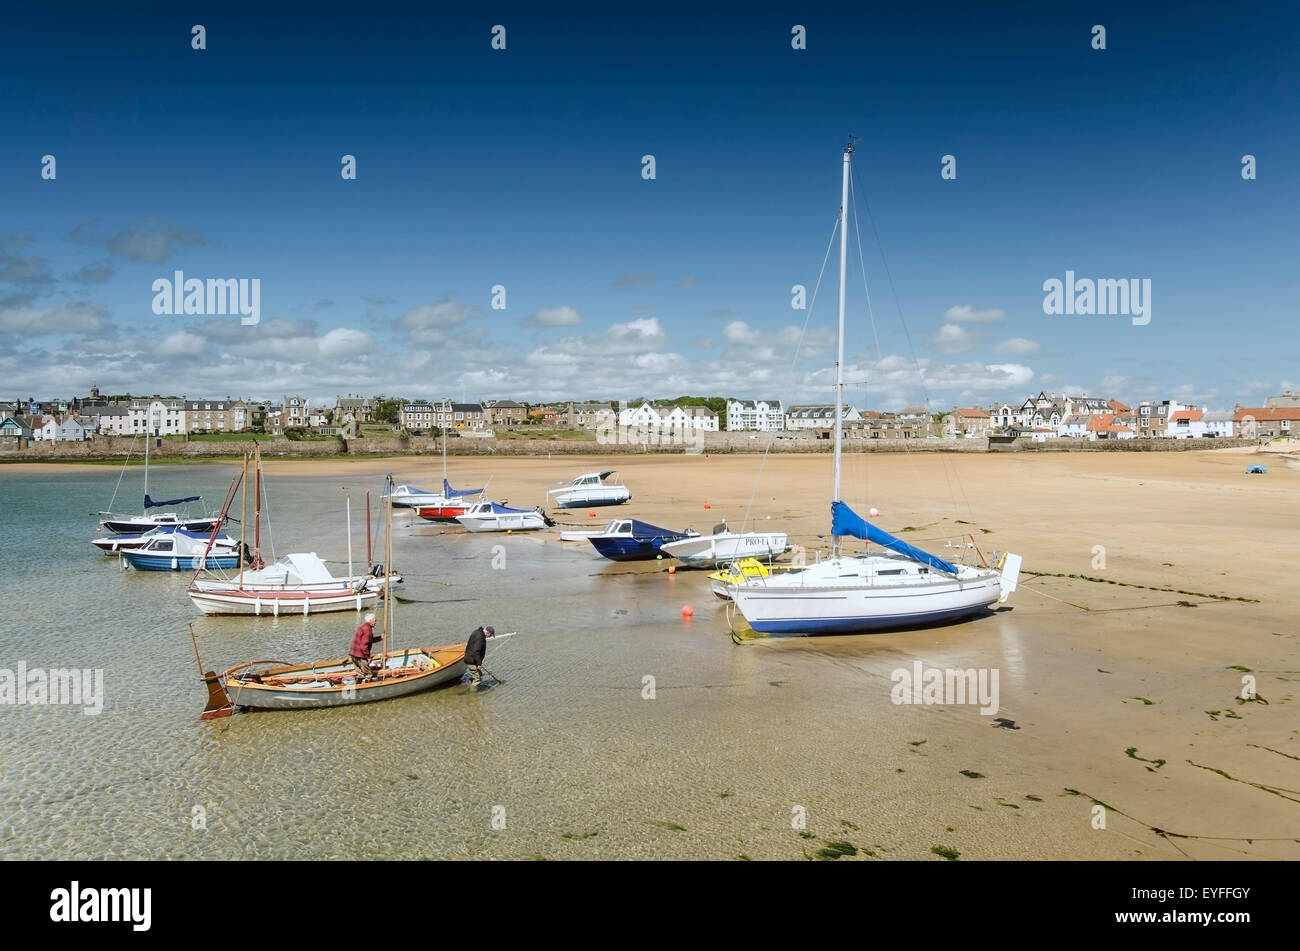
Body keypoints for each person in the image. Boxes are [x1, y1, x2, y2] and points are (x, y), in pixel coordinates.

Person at [349, 613, 381, 681]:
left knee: (360, 674)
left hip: (353, 654)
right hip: (360, 656)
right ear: (370, 620)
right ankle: (369, 687)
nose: (376, 622)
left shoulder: (363, 626)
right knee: (369, 674)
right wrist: (368, 657)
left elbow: (368, 640)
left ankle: (359, 685)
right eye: (375, 620)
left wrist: (380, 638)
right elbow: (364, 646)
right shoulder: (367, 630)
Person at [464, 624, 494, 689]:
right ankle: (473, 695)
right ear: (487, 632)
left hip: (471, 658)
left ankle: (469, 686)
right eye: (490, 635)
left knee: (479, 674)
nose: (490, 637)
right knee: (477, 679)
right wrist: (479, 664)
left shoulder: (477, 632)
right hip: (471, 660)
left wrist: (478, 663)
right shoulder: (480, 638)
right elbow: (476, 652)